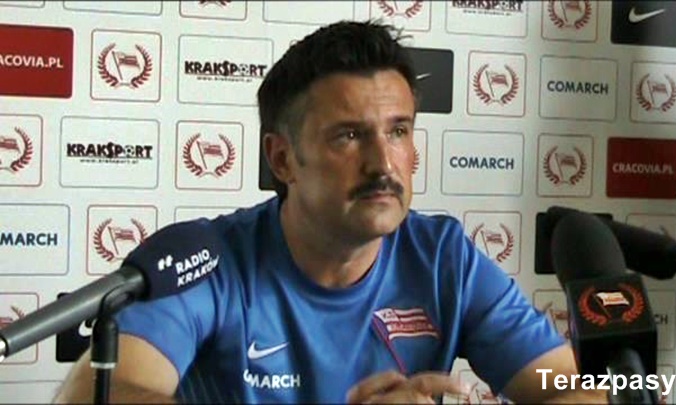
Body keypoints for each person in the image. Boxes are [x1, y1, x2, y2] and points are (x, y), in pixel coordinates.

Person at [55, 20, 605, 404]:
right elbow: (94, 395)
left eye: (398, 131)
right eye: (348, 136)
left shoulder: (443, 257)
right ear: (282, 159)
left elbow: (571, 390)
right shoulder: (207, 262)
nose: (383, 163)